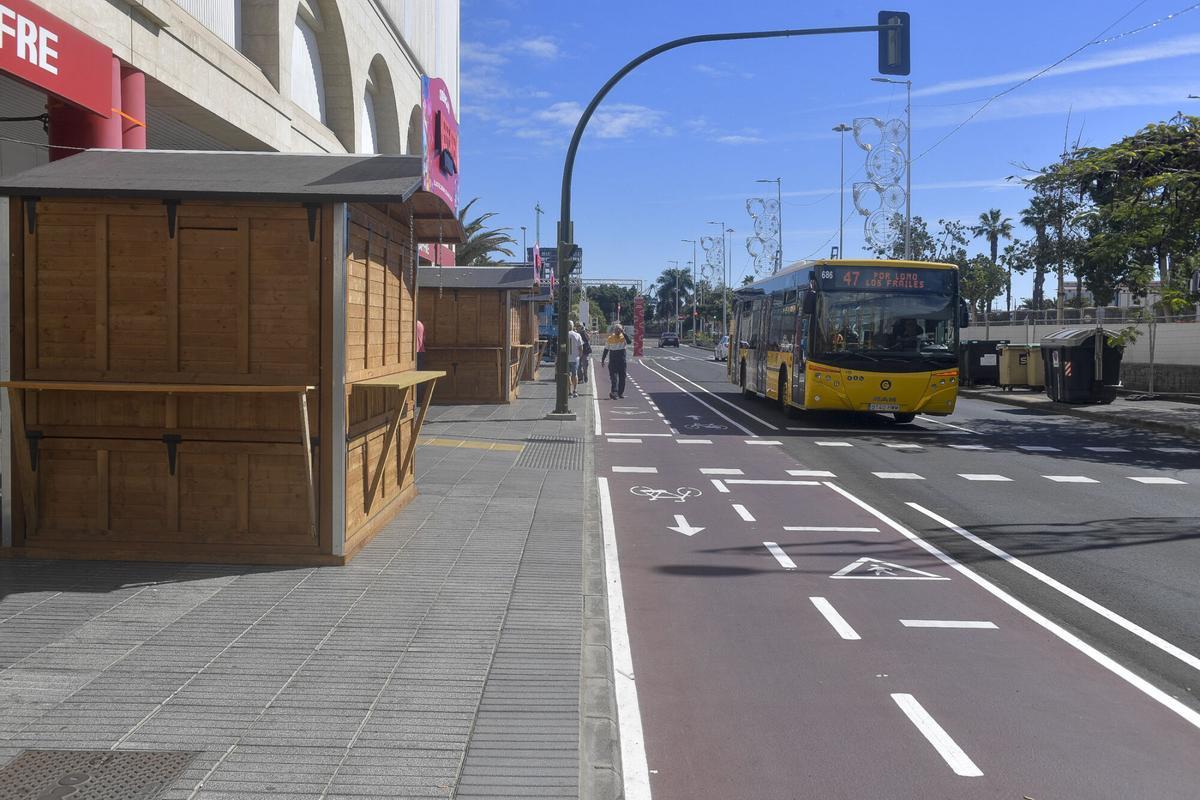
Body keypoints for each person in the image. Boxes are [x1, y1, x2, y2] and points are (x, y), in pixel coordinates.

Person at [600, 322, 628, 399]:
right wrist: (602, 360)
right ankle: (614, 393)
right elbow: (606, 350)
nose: (617, 331)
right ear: (614, 330)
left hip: (622, 361)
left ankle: (620, 393)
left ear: (621, 330)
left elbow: (629, 342)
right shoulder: (610, 338)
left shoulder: (624, 337)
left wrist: (624, 333)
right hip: (613, 361)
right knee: (614, 378)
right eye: (616, 329)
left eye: (619, 329)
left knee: (622, 377)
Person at [566, 321, 583, 399]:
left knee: (568, 375)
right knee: (575, 374)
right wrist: (580, 356)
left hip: (566, 358)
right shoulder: (577, 335)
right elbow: (580, 348)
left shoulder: (564, 334)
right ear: (573, 326)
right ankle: (575, 390)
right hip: (575, 358)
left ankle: (569, 391)